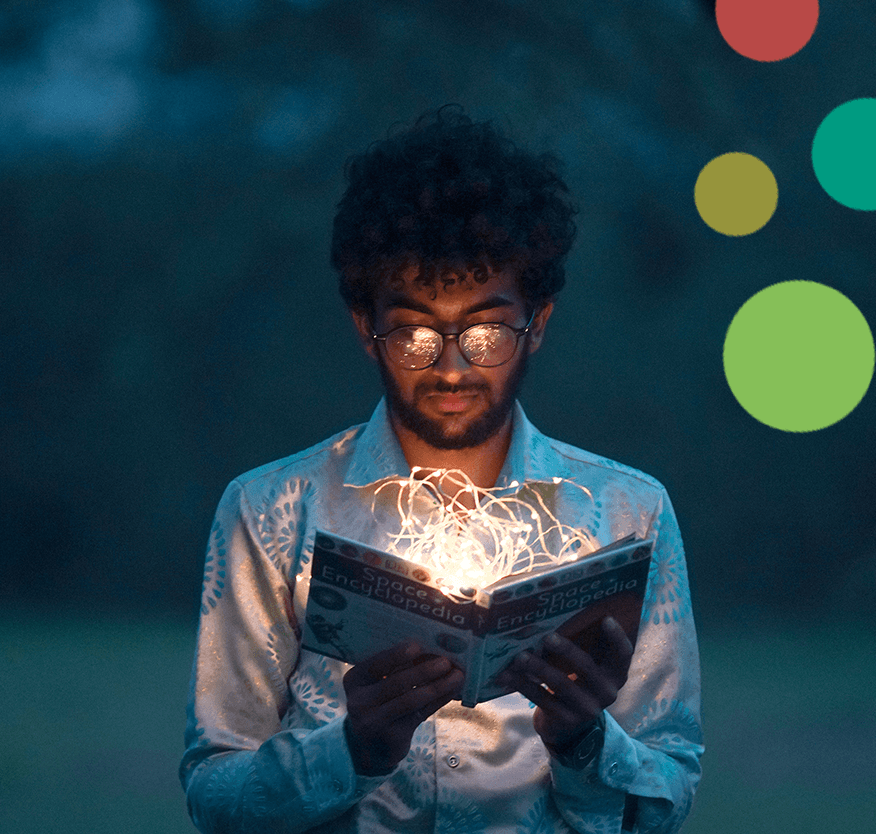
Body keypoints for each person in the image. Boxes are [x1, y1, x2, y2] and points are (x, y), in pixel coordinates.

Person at [180, 106, 702, 834]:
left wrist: (586, 743)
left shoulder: (626, 515)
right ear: (367, 327)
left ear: (538, 325)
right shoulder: (273, 511)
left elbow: (667, 796)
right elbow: (216, 795)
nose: (453, 366)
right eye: (417, 331)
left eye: (486, 330)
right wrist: (354, 749)